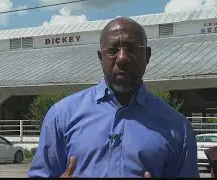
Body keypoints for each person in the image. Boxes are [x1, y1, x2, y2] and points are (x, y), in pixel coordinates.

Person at [28, 17, 199, 178]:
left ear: (147, 56)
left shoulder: (178, 128)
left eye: (131, 48)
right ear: (100, 58)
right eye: (112, 50)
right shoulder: (61, 116)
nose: (122, 58)